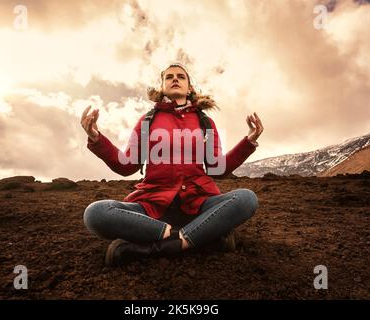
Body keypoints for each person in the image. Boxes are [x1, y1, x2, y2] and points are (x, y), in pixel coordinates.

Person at [81, 62, 263, 267]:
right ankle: (199, 237)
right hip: (153, 208)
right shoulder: (147, 121)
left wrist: (248, 142)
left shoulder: (205, 123)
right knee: (95, 213)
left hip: (198, 205)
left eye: (180, 76)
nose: (174, 79)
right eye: (169, 77)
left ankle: (155, 246)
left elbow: (216, 169)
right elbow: (127, 166)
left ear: (190, 88)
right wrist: (97, 139)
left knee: (246, 198)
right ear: (162, 87)